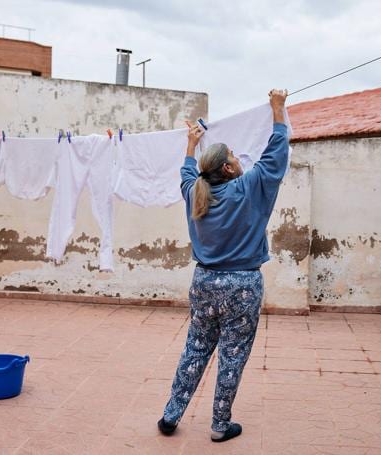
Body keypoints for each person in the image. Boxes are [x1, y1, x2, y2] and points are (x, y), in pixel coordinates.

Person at [158, 89, 290, 442]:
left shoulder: (194, 194)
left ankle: (171, 414)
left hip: (204, 284)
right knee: (232, 355)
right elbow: (275, 157)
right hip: (242, 286)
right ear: (229, 167)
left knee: (196, 348)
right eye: (233, 155)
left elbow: (186, 173)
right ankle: (219, 425)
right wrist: (278, 110)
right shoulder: (247, 189)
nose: (238, 158)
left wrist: (190, 144)